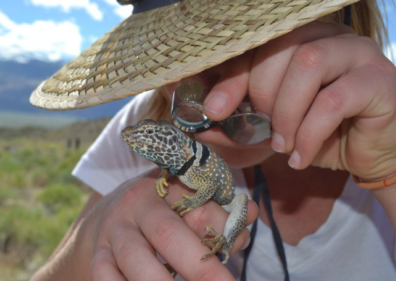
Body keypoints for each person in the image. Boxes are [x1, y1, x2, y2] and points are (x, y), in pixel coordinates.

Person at [30, 0, 396, 280]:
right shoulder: (152, 122)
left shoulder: (387, 118)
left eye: (240, 40)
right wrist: (93, 240)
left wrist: (388, 167)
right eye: (171, 54)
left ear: (339, 22)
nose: (199, 94)